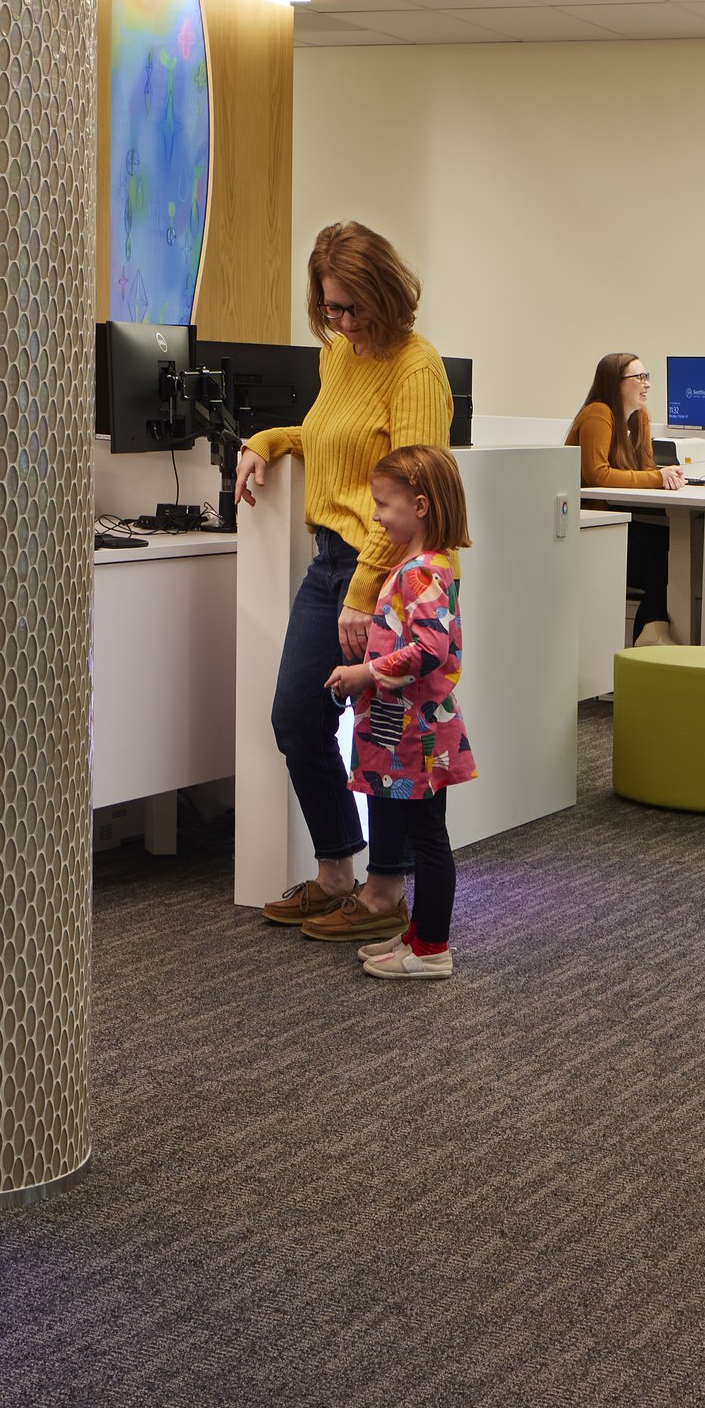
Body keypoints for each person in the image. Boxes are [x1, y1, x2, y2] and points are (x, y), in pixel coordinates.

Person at [236, 220, 456, 938]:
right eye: (333, 308)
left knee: (385, 732)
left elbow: (415, 491)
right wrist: (266, 440)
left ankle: (386, 891)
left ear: (389, 295)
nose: (346, 323)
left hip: (387, 573)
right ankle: (337, 873)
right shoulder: (340, 358)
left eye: (357, 307)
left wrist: (366, 588)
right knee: (298, 717)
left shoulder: (415, 367)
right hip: (328, 559)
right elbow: (329, 440)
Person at [318, 443, 476, 979]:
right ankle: (416, 935)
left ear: (422, 506)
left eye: (384, 505)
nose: (377, 517)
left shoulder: (420, 573)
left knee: (428, 837)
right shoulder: (419, 566)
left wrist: (365, 673)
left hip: (419, 732)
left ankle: (432, 948)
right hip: (406, 728)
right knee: (419, 831)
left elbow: (430, 649)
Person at [566, 350, 687, 643]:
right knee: (662, 548)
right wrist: (658, 477)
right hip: (587, 528)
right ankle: (652, 632)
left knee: (670, 543)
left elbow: (646, 468)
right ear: (616, 383)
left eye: (647, 377)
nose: (647, 384)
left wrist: (665, 475)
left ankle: (652, 630)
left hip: (614, 521)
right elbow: (598, 475)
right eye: (639, 378)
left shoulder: (639, 418)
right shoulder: (598, 412)